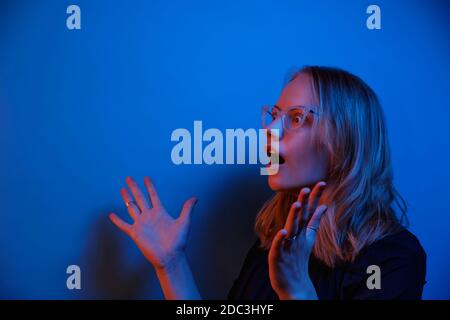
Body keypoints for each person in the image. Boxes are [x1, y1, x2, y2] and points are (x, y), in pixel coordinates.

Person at [109, 66, 426, 300]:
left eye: (297, 117)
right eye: (274, 115)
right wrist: (171, 265)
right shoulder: (274, 242)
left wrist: (297, 291)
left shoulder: (394, 259)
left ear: (346, 141)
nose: (270, 129)